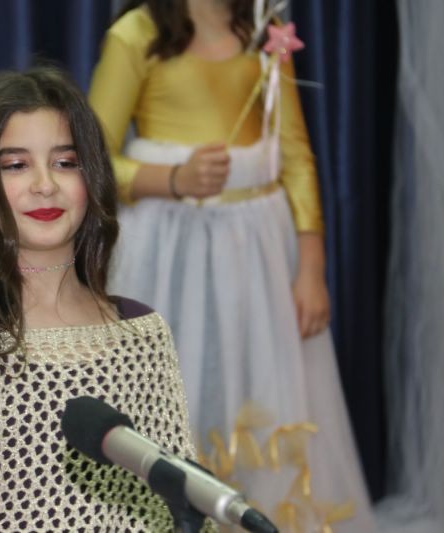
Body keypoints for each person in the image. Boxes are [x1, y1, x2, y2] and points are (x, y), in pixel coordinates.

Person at [0, 67, 216, 532]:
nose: (45, 184)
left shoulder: (142, 334)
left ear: (93, 177)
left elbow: (181, 511)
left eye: (66, 162)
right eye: (16, 165)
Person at [87, 0, 375, 530]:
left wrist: (311, 266)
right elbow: (92, 158)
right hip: (171, 255)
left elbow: (296, 158)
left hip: (260, 257)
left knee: (264, 388)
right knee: (182, 385)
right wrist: (174, 178)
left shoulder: (265, 32)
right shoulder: (136, 35)